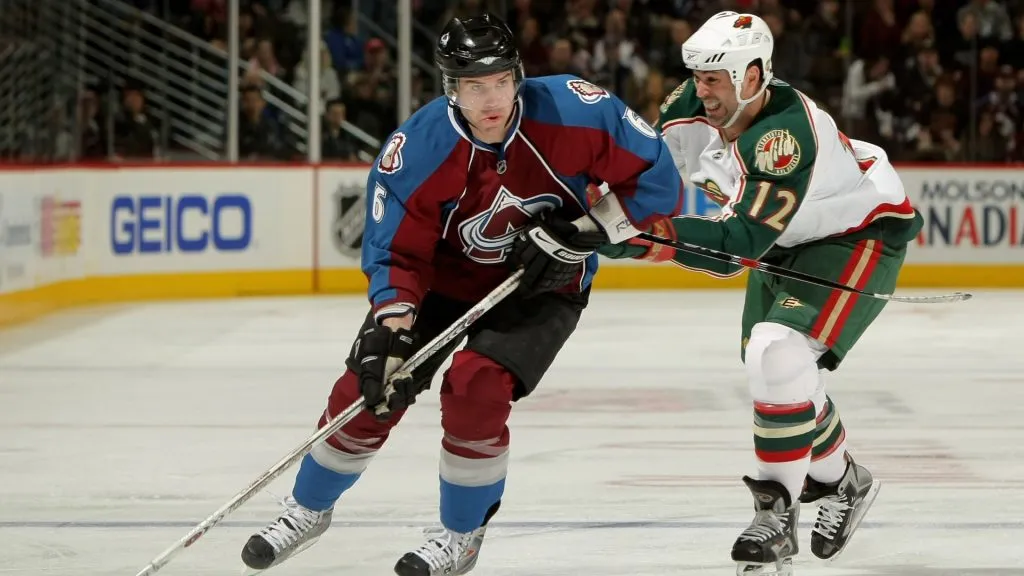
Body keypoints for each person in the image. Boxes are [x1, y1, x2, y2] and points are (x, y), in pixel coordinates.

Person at [240, 13, 683, 576]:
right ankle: (307, 509)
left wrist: (584, 233)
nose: (492, 97)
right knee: (369, 384)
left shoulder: (578, 110)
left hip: (543, 284)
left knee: (475, 388)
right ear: (451, 87)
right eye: (474, 86)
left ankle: (460, 535)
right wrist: (392, 327)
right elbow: (397, 254)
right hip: (445, 283)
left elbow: (657, 176)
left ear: (518, 74)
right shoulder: (418, 149)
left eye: (501, 80)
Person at [599, 11, 923, 576]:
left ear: (753, 77)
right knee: (779, 370)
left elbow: (738, 244)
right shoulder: (693, 104)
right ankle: (846, 481)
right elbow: (644, 175)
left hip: (851, 236)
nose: (702, 91)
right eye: (697, 77)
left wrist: (638, 237)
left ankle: (774, 519)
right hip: (781, 238)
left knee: (779, 352)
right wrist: (590, 208)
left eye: (714, 79)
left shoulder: (784, 137)